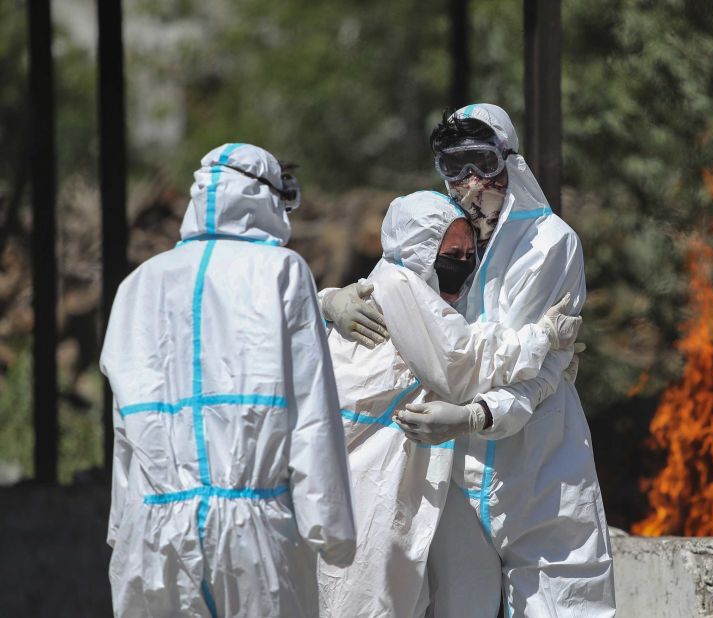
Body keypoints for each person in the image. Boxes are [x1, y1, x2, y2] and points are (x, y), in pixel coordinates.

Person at [100, 143, 356, 618]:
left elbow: (123, 431)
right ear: (267, 199)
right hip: (253, 533)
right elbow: (311, 409)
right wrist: (331, 527)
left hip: (152, 532)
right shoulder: (281, 271)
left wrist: (121, 526)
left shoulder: (137, 285)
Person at [394, 104, 616, 617]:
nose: (469, 181)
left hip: (537, 465)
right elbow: (396, 290)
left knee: (565, 605)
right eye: (454, 166)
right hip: (451, 472)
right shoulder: (447, 240)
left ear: (509, 162)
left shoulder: (549, 244)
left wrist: (474, 414)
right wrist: (331, 301)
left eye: (481, 162)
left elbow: (524, 372)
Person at [317, 190, 582, 617]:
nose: (461, 263)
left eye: (467, 253)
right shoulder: (399, 286)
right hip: (367, 480)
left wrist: (547, 373)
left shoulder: (412, 288)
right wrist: (543, 341)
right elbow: (464, 364)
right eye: (449, 253)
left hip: (400, 475)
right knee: (366, 601)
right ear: (419, 251)